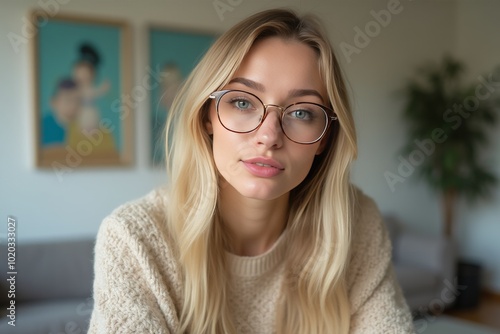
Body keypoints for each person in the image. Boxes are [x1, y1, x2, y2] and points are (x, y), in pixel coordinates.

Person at [89, 9, 415, 334]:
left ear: (324, 138)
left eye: (301, 112)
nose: (269, 136)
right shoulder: (134, 240)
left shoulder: (356, 225)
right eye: (243, 102)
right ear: (207, 116)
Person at [41, 78, 81, 146]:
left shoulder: (83, 128)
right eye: (68, 100)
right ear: (53, 102)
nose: (73, 105)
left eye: (77, 100)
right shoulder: (40, 127)